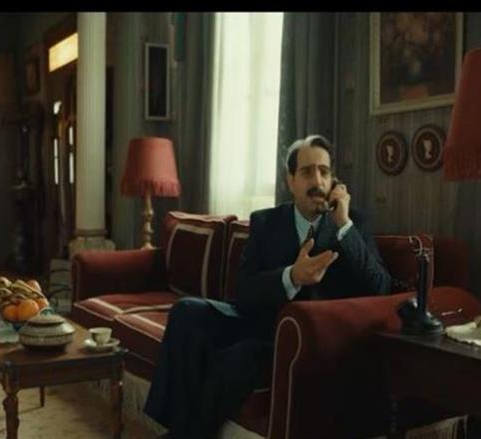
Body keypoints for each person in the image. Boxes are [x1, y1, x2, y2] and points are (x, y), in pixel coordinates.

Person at [143, 135, 392, 439]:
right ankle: (173, 425)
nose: (318, 181)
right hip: (255, 317)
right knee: (185, 311)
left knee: (240, 357)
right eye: (307, 172)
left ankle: (182, 435)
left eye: (325, 172)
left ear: (334, 181)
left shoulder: (352, 225)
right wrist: (291, 276)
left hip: (298, 339)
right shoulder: (266, 222)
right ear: (291, 181)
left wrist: (343, 226)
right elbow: (244, 288)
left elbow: (381, 287)